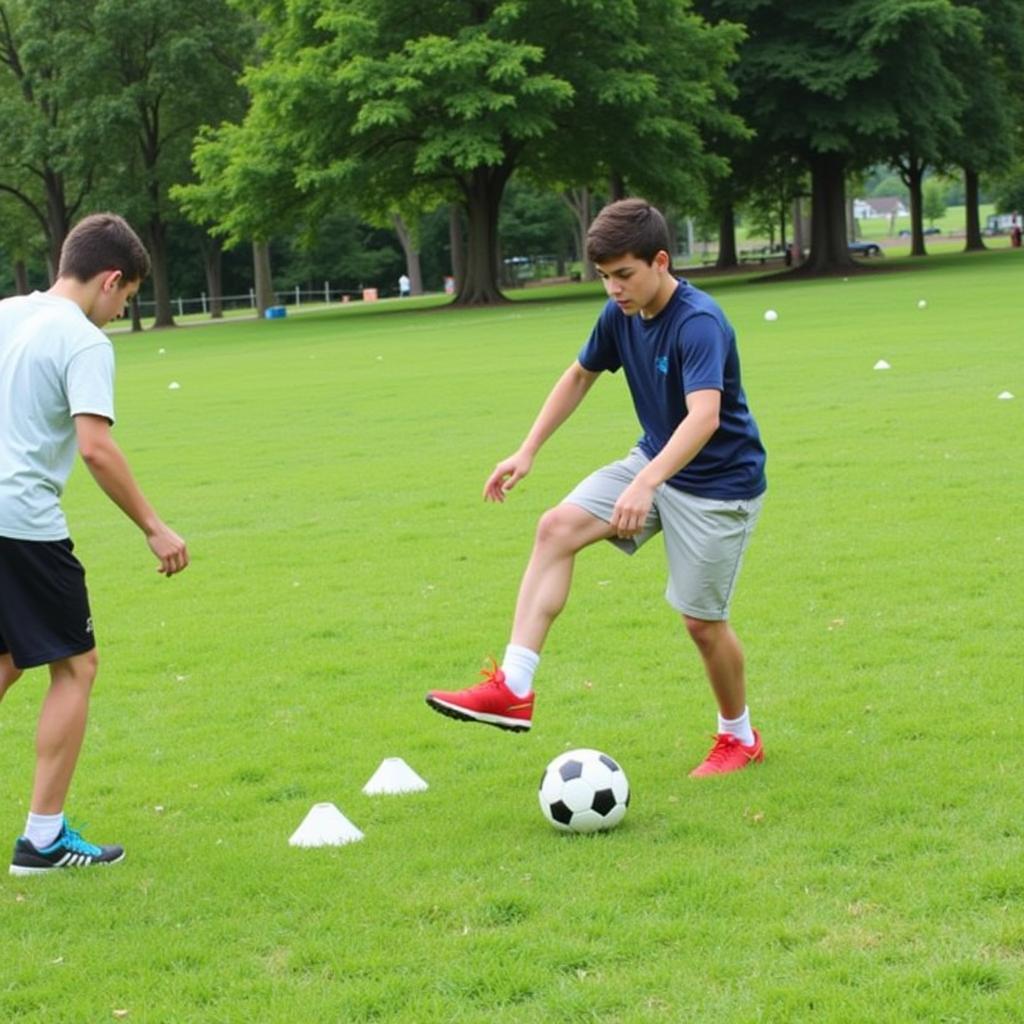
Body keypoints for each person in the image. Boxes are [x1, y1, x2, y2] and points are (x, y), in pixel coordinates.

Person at [426, 198, 767, 777]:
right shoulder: (620, 314)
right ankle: (514, 686)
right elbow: (580, 374)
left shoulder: (699, 321)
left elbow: (703, 417)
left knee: (702, 624)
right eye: (605, 277)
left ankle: (739, 736)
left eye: (624, 275)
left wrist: (647, 482)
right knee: (555, 527)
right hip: (655, 461)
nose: (613, 289)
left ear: (660, 261)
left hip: (718, 485)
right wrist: (528, 449)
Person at [0, 213, 189, 875]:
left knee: (7, 661)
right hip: (21, 520)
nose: (119, 314)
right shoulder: (82, 340)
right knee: (75, 666)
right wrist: (154, 526)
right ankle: (43, 840)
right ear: (111, 280)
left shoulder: (5, 313)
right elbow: (95, 448)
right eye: (127, 299)